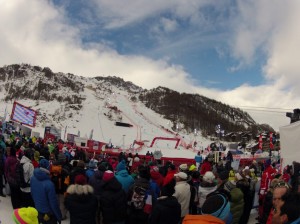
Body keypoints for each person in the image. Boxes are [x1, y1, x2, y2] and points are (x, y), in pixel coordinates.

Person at [30, 158, 62, 224]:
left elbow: (32, 193)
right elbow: (53, 203)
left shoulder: (33, 178)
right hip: (49, 214)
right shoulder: (49, 184)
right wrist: (59, 216)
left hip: (38, 209)